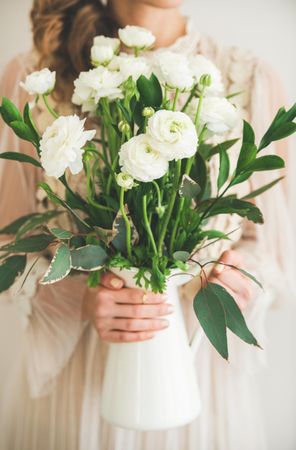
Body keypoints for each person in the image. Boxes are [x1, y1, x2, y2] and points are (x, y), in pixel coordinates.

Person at [0, 1, 294, 449]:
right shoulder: (33, 78)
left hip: (198, 383)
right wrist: (81, 298)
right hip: (78, 394)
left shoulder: (250, 80)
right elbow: (9, 247)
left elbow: (273, 252)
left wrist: (237, 278)